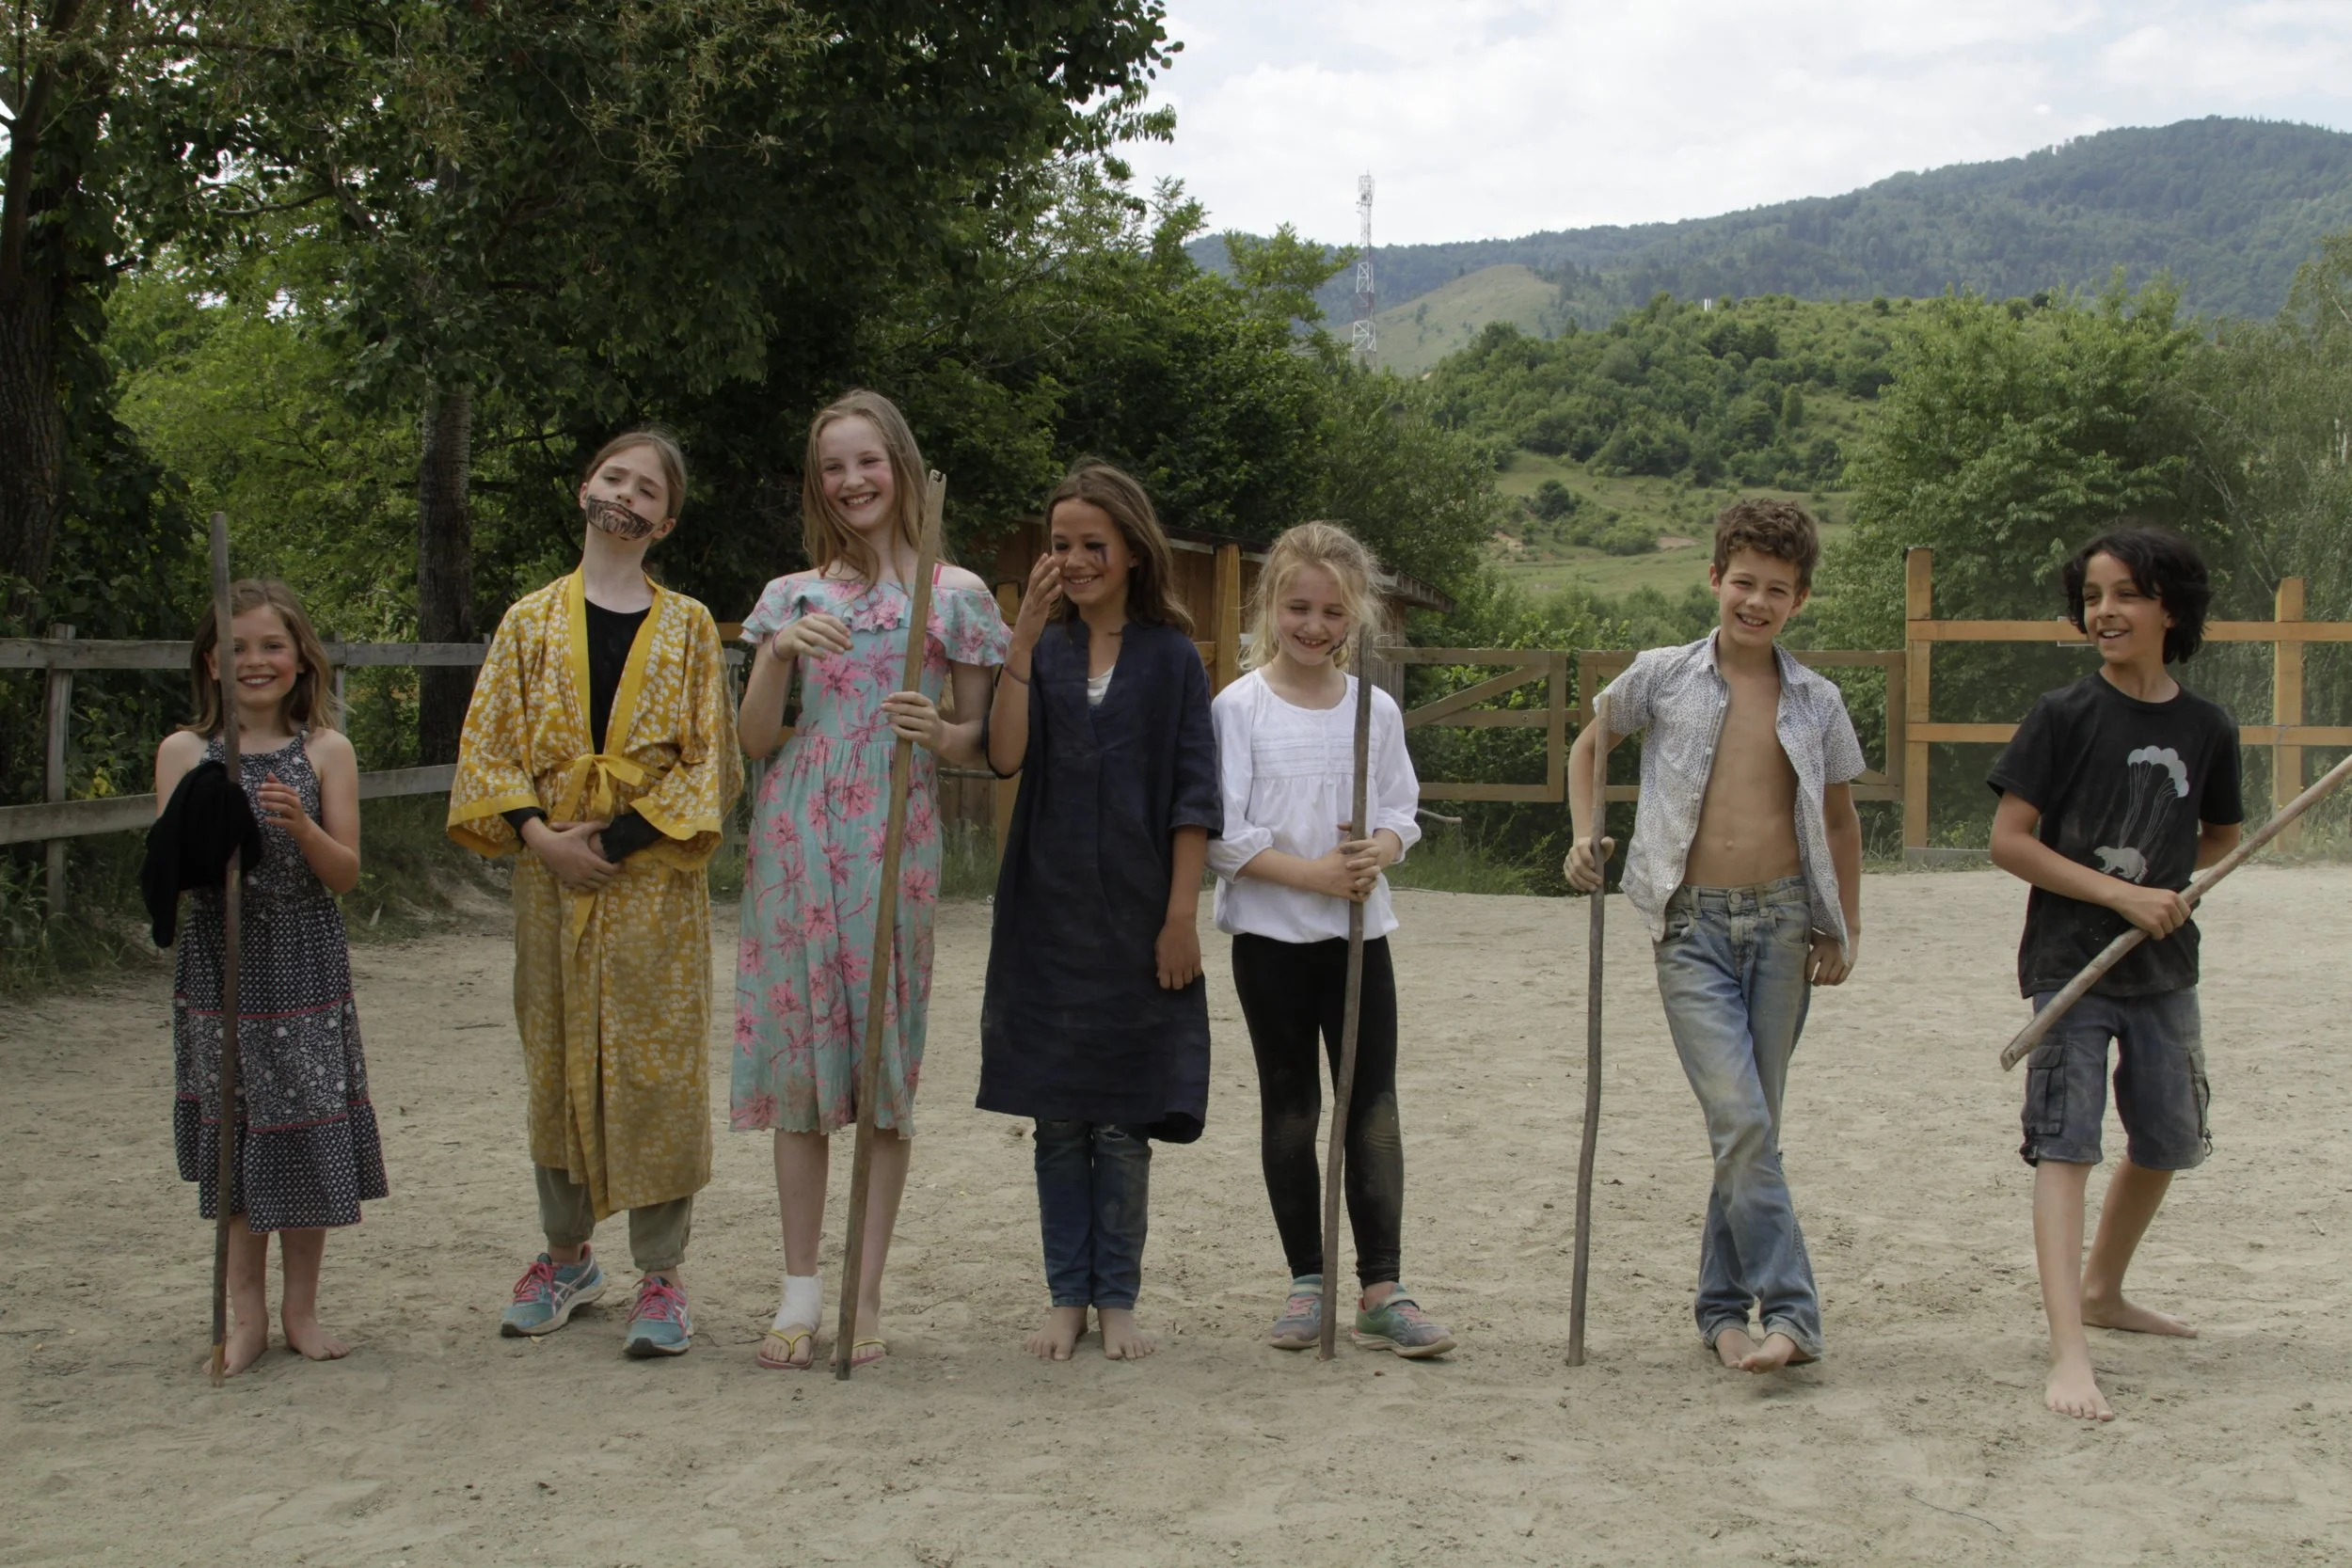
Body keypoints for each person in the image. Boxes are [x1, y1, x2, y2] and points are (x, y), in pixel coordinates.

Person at [447, 429, 741, 1358]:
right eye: (615, 477)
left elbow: (711, 758)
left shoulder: (690, 625)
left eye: (648, 489)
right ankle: (566, 1257)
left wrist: (612, 842)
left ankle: (662, 1273)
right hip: (550, 877)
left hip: (652, 879)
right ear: (585, 490)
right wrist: (542, 838)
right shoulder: (527, 620)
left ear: (667, 520)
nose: (627, 494)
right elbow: (489, 744)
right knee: (558, 1053)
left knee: (658, 1068)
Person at [731, 389, 1009, 1370]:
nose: (852, 481)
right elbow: (754, 740)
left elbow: (980, 739)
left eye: (867, 461)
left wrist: (941, 731)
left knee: (885, 1069)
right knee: (801, 1070)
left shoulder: (956, 594)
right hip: (797, 836)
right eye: (833, 466)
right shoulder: (791, 595)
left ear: (902, 464)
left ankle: (866, 1290)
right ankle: (800, 1290)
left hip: (896, 835)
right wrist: (776, 652)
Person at [1565, 498, 1863, 1374]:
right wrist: (1584, 834)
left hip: (1783, 925)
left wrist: (1842, 926)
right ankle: (1795, 1312)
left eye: (1777, 589)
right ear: (1714, 579)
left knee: (1752, 1129)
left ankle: (1724, 1310)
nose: (1756, 602)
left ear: (1800, 600)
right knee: (1739, 1117)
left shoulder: (1817, 700)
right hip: (1689, 926)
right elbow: (1589, 748)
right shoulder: (1660, 675)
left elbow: (1840, 819)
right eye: (1744, 582)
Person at [1987, 523, 2242, 1422]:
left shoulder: (2208, 727)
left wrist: (2166, 889)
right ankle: (2070, 1350)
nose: (2105, 610)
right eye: (2093, 596)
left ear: (2172, 609)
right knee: (2067, 1144)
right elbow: (2009, 841)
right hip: (2069, 966)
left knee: (2170, 1139)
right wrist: (2120, 893)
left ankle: (2104, 1288)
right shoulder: (2062, 715)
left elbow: (2219, 836)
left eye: (2127, 593)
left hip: (2165, 969)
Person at [977, 462, 1220, 1362]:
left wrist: (1181, 916)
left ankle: (1117, 1298)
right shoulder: (1040, 651)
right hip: (1044, 915)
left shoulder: (1173, 659)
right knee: (1057, 1118)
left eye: (1092, 544)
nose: (1074, 560)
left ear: (1133, 550)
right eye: (1059, 545)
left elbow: (1194, 796)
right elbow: (1005, 755)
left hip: (1140, 918)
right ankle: (1064, 1299)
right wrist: (1022, 636)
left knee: (1122, 1122)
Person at [1208, 521, 1456, 1358]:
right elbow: (1223, 835)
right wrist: (1313, 875)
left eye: (1332, 612)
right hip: (1271, 941)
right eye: (1299, 608)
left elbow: (1399, 811)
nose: (1314, 626)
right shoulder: (1237, 708)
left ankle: (1382, 1290)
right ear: (1270, 606)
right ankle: (1307, 1282)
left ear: (1356, 617)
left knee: (1371, 1107)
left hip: (1359, 940)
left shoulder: (1373, 710)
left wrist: (1379, 850)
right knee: (1292, 1108)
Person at [154, 579, 384, 1375]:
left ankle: (300, 1310)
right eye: (238, 646)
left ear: (300, 658)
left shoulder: (326, 751)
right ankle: (245, 1314)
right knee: (237, 1136)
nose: (255, 660)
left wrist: (302, 826)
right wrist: (208, 824)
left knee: (302, 1132)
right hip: (221, 964)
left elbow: (346, 873)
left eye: (272, 645)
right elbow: (170, 873)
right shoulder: (185, 753)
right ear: (211, 662)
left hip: (302, 961)